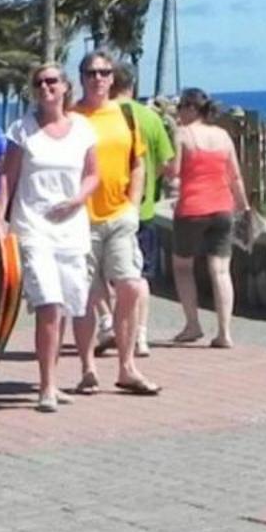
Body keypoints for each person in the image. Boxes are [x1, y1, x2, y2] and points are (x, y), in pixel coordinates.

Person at [2, 62, 99, 412]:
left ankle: (55, 381)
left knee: (70, 305)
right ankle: (46, 386)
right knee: (48, 304)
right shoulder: (21, 129)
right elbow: (7, 178)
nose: (46, 87)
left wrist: (77, 200)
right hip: (33, 227)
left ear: (65, 87)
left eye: (52, 81)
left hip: (71, 231)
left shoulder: (83, 129)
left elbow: (93, 175)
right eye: (39, 82)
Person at [71, 50, 161, 396]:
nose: (98, 78)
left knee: (129, 285)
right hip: (82, 219)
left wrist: (132, 205)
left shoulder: (125, 115)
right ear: (81, 78)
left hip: (119, 217)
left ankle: (127, 367)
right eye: (91, 73)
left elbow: (138, 163)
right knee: (86, 295)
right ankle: (87, 368)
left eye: (104, 72)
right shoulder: (73, 117)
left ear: (112, 78)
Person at [167, 87, 252, 348]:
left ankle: (192, 324)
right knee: (221, 270)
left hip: (192, 208)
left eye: (181, 106)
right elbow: (235, 176)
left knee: (183, 266)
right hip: (222, 207)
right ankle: (225, 332)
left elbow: (174, 173)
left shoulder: (182, 135)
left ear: (192, 109)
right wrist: (244, 208)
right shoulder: (223, 136)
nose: (178, 111)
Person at [110, 61, 175, 357]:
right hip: (143, 210)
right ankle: (141, 335)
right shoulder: (150, 118)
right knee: (141, 276)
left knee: (110, 276)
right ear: (133, 85)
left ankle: (111, 326)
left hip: (110, 209)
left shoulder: (106, 116)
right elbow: (167, 164)